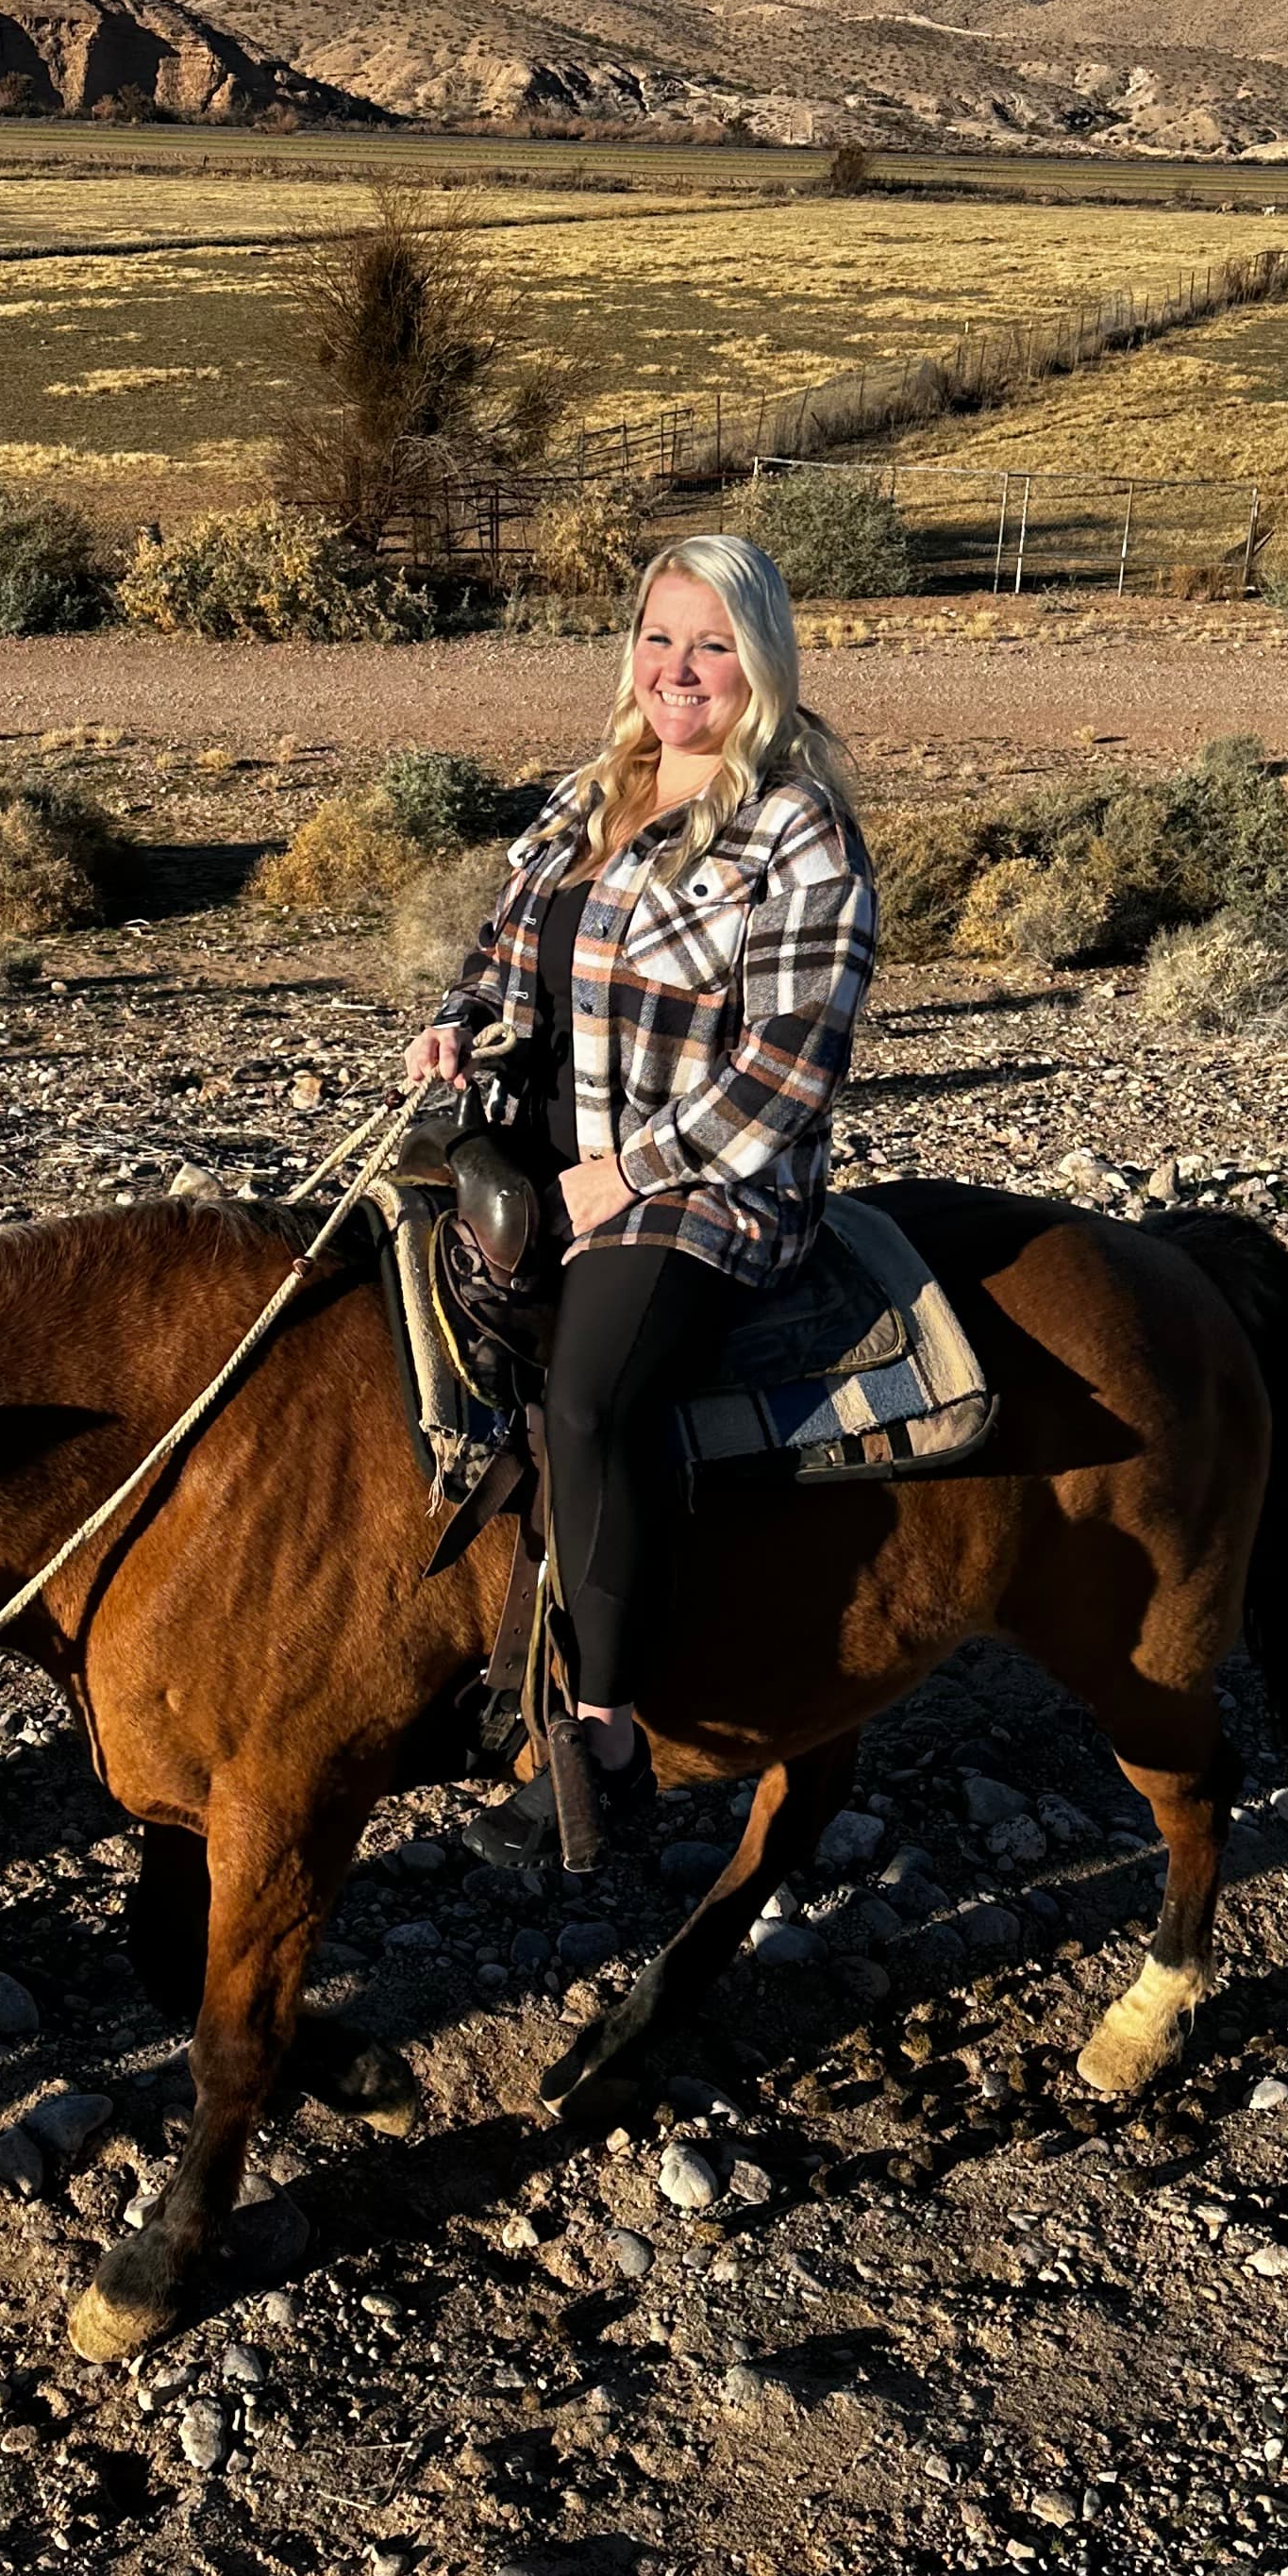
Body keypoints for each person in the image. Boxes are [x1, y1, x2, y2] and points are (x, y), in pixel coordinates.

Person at [404, 530, 876, 1860]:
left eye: (714, 645)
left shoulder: (799, 832)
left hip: (705, 1188)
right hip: (542, 1151)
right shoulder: (591, 790)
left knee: (590, 1397)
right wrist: (455, 1026)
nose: (682, 671)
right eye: (662, 640)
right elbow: (502, 959)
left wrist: (621, 1177)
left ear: (762, 661)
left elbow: (788, 1072)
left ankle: (605, 1736)